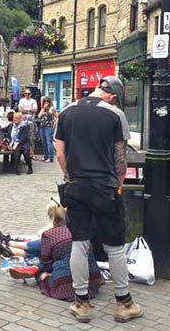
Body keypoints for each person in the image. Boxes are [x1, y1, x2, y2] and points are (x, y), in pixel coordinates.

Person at [55, 76, 142, 323]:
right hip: (104, 187)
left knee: (79, 243)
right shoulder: (115, 115)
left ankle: (81, 303)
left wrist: (69, 176)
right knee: (114, 247)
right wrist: (118, 185)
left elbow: (60, 153)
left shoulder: (67, 111)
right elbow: (120, 159)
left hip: (77, 186)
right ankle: (124, 303)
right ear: (114, 96)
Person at [0, 202, 102, 301]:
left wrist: (46, 272)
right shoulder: (82, 229)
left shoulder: (49, 234)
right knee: (51, 250)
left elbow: (47, 264)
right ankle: (12, 248)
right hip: (92, 280)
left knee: (43, 269)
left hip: (66, 284)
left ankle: (27, 264)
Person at [18, 88, 38, 158]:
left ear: (31, 94)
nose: (27, 95)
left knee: (31, 137)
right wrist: (29, 111)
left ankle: (32, 154)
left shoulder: (33, 101)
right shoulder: (22, 100)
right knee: (22, 137)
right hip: (23, 121)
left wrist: (26, 111)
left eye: (28, 94)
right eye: (26, 93)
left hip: (30, 121)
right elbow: (20, 110)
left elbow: (35, 110)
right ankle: (24, 154)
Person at [38, 96, 57, 163]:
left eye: (47, 101)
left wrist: (55, 122)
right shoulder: (43, 109)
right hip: (42, 126)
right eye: (45, 101)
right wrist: (43, 108)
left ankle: (51, 157)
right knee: (44, 142)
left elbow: (57, 116)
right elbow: (39, 116)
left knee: (49, 142)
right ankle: (46, 156)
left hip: (49, 127)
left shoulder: (52, 109)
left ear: (49, 102)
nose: (46, 103)